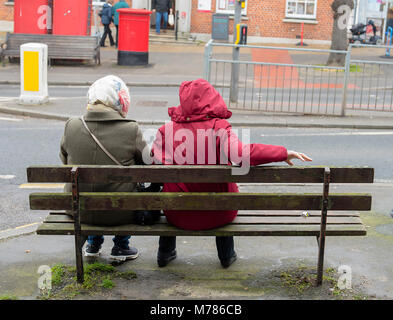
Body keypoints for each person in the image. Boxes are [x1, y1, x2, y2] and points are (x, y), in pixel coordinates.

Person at [151, 79, 312, 268]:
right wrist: (282, 153)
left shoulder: (167, 130)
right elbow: (242, 154)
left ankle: (165, 253)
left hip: (177, 213)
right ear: (211, 98)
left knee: (170, 192)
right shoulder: (219, 127)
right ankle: (226, 256)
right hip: (219, 213)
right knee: (225, 194)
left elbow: (155, 164)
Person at [60, 75, 148, 261]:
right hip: (119, 212)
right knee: (126, 190)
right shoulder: (131, 129)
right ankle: (121, 247)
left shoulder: (72, 125)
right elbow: (146, 164)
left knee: (87, 188)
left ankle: (93, 244)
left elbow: (64, 159)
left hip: (79, 210)